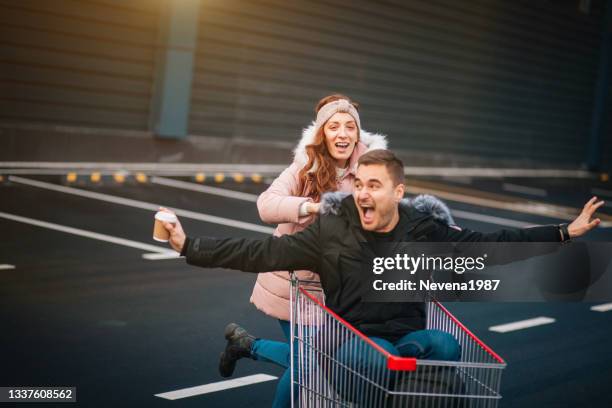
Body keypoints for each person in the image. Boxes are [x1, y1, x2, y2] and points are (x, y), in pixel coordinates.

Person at [160, 149, 603, 403]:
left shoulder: (423, 230)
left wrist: (563, 232)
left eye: (375, 185)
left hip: (403, 343)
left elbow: (492, 245)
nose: (364, 193)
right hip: (350, 346)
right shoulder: (332, 231)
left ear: (398, 192)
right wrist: (187, 245)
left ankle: (403, 366)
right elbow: (262, 251)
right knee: (375, 361)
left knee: (447, 345)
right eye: (359, 185)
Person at [221, 94, 387, 408]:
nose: (343, 133)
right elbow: (266, 205)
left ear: (358, 133)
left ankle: (246, 345)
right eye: (334, 126)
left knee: (317, 359)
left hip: (339, 287)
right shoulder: (305, 167)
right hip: (296, 281)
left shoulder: (372, 169)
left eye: (350, 126)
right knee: (309, 364)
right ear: (322, 132)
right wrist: (309, 206)